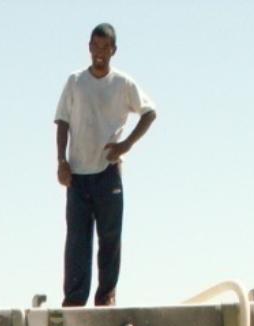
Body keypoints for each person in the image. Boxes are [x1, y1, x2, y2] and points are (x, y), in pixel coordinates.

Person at [54, 23, 157, 308]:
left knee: (110, 237)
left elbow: (150, 112)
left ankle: (106, 294)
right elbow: (62, 120)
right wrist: (61, 161)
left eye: (105, 48)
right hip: (77, 175)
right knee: (77, 241)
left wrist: (127, 145)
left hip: (108, 174)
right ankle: (74, 299)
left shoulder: (123, 84)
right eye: (95, 46)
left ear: (113, 50)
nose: (99, 53)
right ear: (89, 47)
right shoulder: (75, 82)